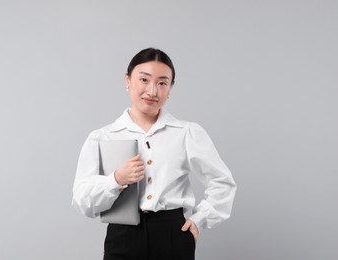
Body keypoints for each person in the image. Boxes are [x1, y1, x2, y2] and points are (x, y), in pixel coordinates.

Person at [72, 48, 237, 260]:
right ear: (128, 80)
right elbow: (82, 201)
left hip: (172, 235)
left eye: (162, 83)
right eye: (144, 80)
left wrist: (200, 220)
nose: (152, 91)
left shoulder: (186, 133)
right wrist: (116, 179)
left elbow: (223, 182)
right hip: (122, 236)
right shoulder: (102, 137)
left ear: (170, 88)